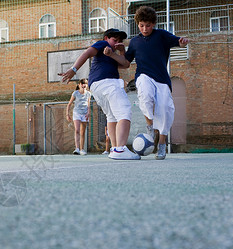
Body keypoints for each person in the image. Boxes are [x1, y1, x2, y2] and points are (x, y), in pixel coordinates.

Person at [59, 28, 140, 160]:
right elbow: (87, 53)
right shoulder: (103, 45)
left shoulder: (112, 54)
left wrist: (121, 51)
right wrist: (74, 69)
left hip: (97, 87)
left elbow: (125, 65)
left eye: (120, 41)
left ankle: (114, 149)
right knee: (124, 111)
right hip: (107, 83)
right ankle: (121, 149)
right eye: (114, 40)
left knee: (112, 116)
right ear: (106, 38)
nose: (116, 43)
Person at [122, 6, 189, 160]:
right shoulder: (134, 42)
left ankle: (162, 143)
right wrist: (117, 52)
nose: (145, 29)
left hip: (162, 79)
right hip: (143, 75)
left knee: (165, 109)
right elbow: (126, 61)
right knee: (145, 96)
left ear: (154, 24)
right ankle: (151, 127)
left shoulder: (161, 36)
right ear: (138, 24)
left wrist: (182, 42)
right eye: (141, 25)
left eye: (148, 25)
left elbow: (177, 41)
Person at [66, 78, 91, 155]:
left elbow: (88, 104)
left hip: (85, 114)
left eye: (85, 84)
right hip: (77, 113)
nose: (84, 85)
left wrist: (88, 113)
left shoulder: (88, 94)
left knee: (83, 132)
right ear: (79, 85)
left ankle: (82, 149)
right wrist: (67, 114)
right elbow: (69, 104)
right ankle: (76, 148)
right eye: (82, 83)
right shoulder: (75, 93)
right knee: (77, 130)